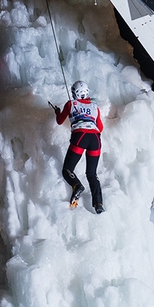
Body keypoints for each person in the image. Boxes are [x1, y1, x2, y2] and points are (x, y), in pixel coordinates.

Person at [53, 80, 104, 214]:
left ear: (74, 93)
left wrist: (58, 112)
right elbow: (101, 127)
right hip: (95, 139)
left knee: (67, 169)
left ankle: (77, 186)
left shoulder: (71, 104)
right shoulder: (95, 107)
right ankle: (98, 203)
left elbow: (59, 121)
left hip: (80, 136)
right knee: (92, 174)